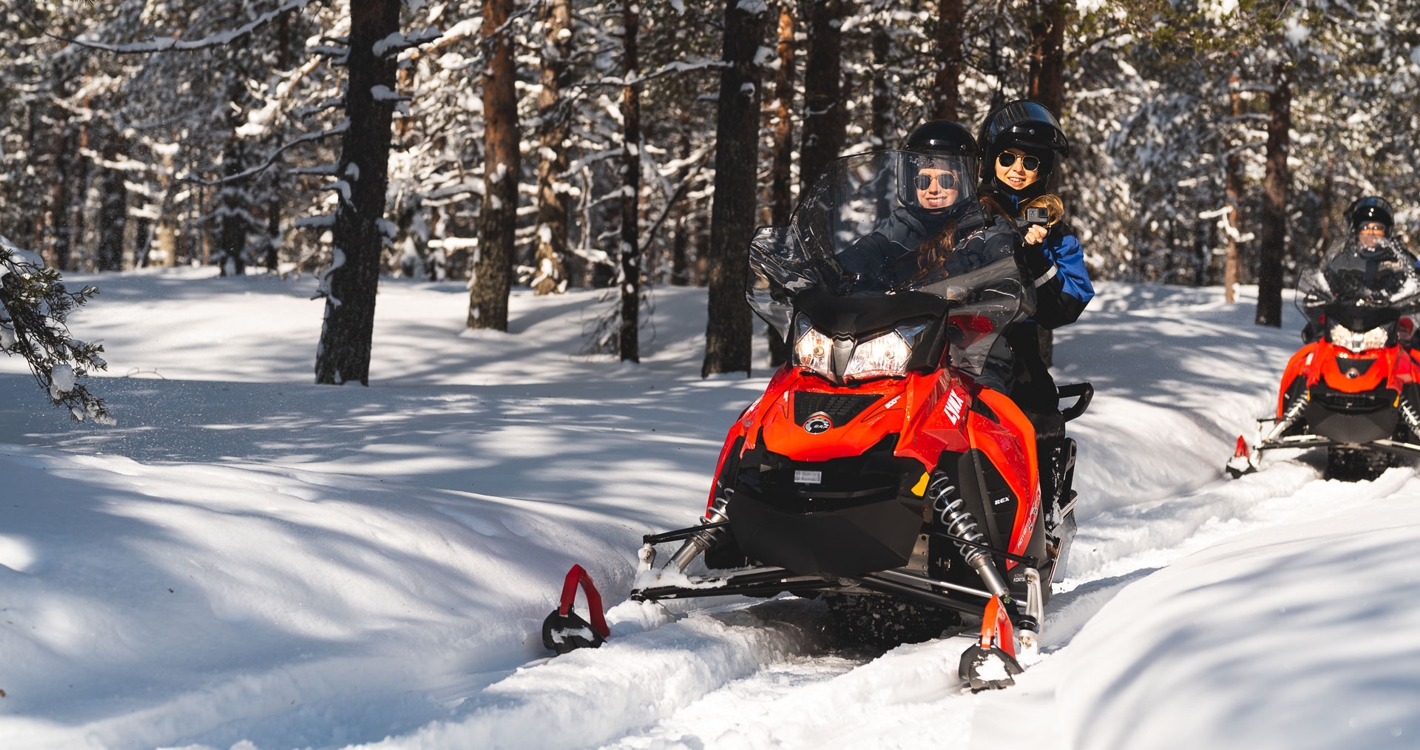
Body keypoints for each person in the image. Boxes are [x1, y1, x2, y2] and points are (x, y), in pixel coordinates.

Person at [974, 100, 1095, 439]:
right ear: (990, 160)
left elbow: (1067, 306)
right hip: (954, 338)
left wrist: (1037, 258)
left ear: (1042, 170)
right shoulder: (967, 214)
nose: (1017, 168)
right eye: (1008, 157)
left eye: (1030, 162)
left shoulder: (1055, 232)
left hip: (1016, 347)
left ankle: (1040, 488)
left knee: (1038, 420)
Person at [835, 120, 1014, 288]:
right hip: (906, 319)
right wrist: (827, 271)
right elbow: (865, 252)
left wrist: (995, 288)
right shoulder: (902, 226)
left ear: (963, 183)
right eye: (923, 181)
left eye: (945, 180)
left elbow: (1006, 271)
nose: (933, 189)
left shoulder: (987, 227)